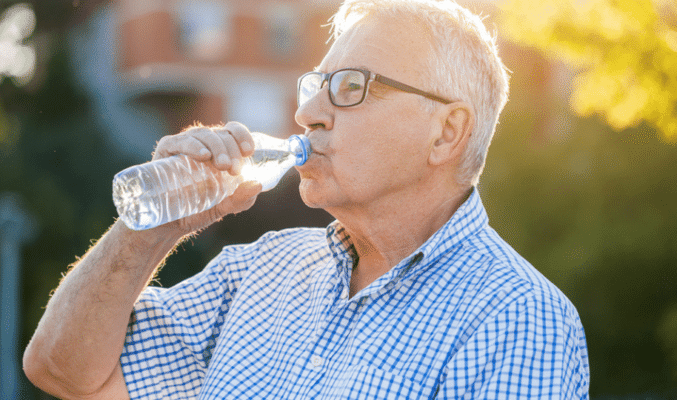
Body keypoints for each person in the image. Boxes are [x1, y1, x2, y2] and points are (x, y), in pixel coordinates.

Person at [23, 0, 590, 398]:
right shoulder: (258, 272)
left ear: (445, 132)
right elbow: (63, 371)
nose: (306, 113)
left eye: (349, 87)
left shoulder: (517, 318)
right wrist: (153, 228)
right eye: (316, 86)